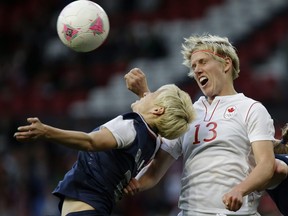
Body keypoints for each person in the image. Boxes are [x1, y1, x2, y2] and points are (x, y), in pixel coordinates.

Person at [123, 34, 288, 216]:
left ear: (226, 64)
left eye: (203, 62)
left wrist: (240, 190)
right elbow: (155, 170)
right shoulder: (187, 114)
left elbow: (266, 165)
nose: (197, 70)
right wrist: (135, 184)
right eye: (194, 66)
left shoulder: (251, 109)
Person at [14, 83, 196, 216]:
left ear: (157, 110)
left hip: (84, 208)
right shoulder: (153, 144)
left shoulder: (131, 127)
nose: (146, 93)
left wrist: (46, 131)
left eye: (153, 93)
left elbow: (90, 142)